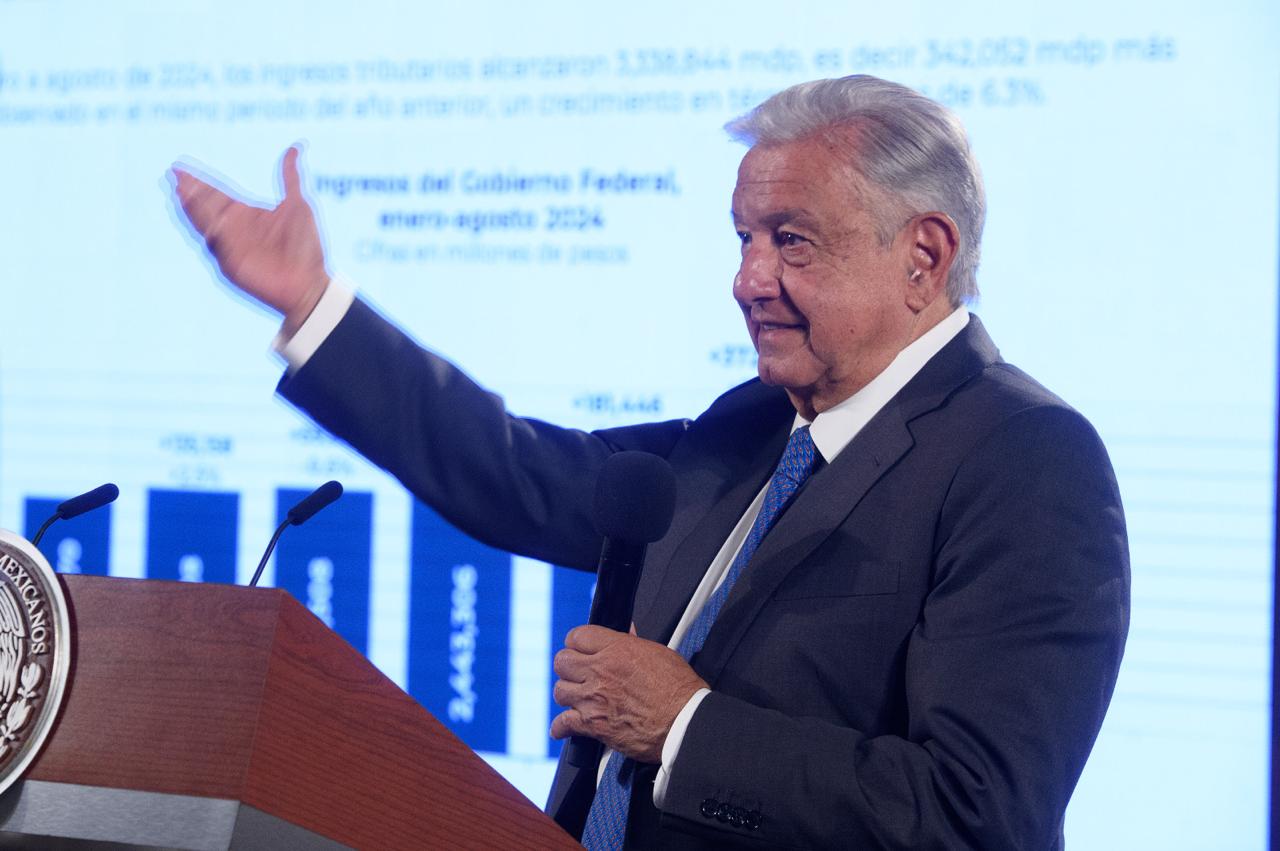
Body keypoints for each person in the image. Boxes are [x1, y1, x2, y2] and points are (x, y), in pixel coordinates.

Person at [172, 75, 1129, 850]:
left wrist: (683, 724)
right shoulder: (754, 423)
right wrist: (312, 307)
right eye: (744, 238)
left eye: (791, 241)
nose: (747, 280)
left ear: (923, 255)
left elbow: (977, 815)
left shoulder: (1026, 460)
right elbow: (518, 474)